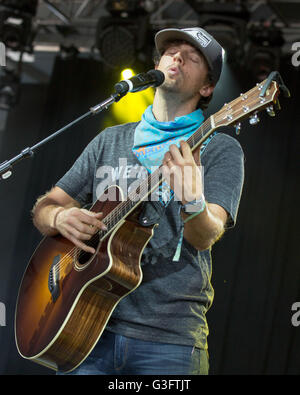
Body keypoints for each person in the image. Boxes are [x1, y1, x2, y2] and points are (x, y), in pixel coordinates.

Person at [32, 27, 244, 375]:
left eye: (190, 57)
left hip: (169, 339)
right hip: (85, 328)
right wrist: (58, 218)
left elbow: (205, 235)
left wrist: (192, 200)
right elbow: (45, 206)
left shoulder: (219, 148)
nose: (176, 57)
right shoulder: (109, 140)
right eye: (171, 51)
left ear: (207, 88)